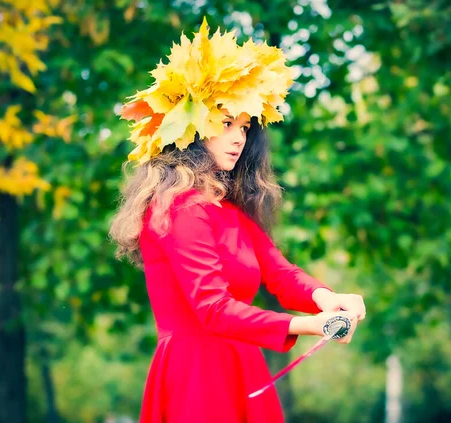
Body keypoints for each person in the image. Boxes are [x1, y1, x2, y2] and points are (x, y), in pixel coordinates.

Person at [109, 18, 366, 423]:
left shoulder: (227, 210)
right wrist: (310, 326)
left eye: (244, 127)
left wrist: (326, 298)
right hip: (197, 379)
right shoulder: (177, 207)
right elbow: (211, 308)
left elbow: (279, 274)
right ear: (190, 129)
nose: (238, 138)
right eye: (225, 123)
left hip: (241, 366)